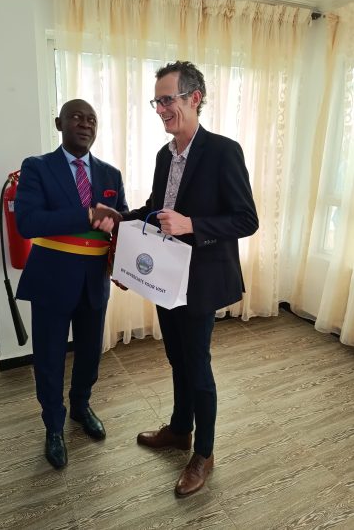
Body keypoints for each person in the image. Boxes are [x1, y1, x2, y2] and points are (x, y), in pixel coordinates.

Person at [115, 61, 259, 496]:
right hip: (166, 278)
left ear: (194, 98)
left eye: (167, 99)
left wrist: (192, 224)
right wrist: (119, 220)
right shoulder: (165, 156)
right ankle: (180, 429)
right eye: (156, 101)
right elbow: (156, 210)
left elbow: (246, 219)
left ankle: (204, 453)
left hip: (202, 281)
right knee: (176, 357)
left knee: (197, 365)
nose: (160, 109)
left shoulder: (224, 151)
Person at [15, 99, 127, 469]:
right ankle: (53, 425)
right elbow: (28, 223)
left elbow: (121, 225)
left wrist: (129, 265)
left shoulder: (111, 174)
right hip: (51, 279)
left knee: (90, 353)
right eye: (76, 117)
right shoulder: (37, 167)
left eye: (92, 119)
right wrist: (87, 215)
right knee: (49, 358)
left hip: (95, 281)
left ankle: (81, 406)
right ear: (59, 123)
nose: (85, 124)